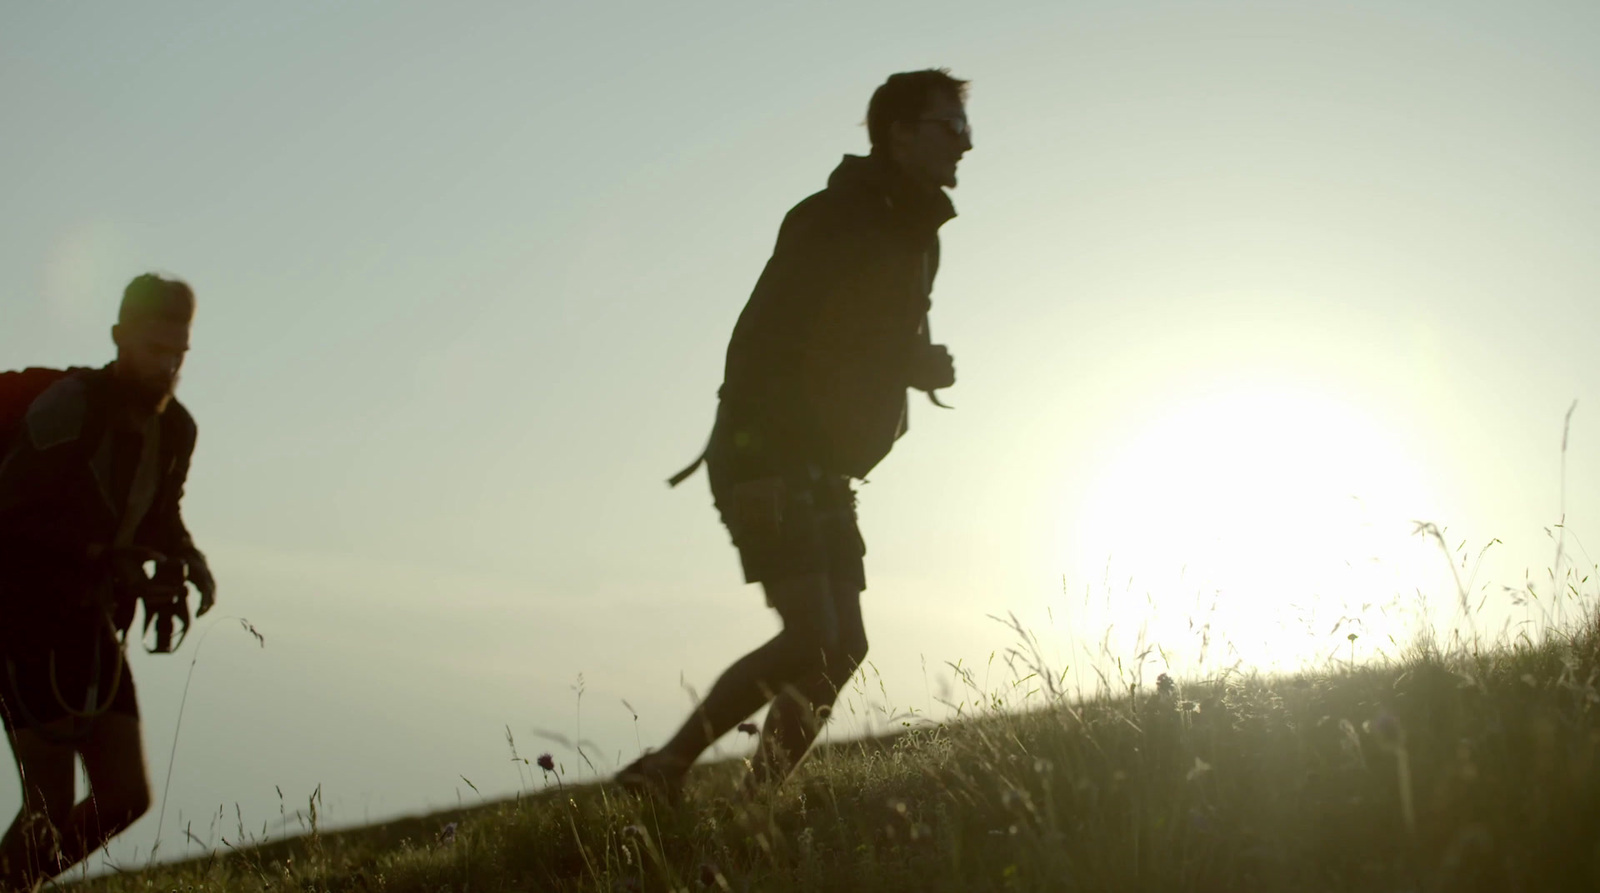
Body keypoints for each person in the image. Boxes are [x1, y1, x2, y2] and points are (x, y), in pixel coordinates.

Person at [620, 69, 972, 800]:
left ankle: (752, 807)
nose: (966, 144)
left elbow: (860, 338)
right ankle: (662, 770)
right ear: (899, 134)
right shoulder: (834, 217)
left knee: (843, 648)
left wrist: (912, 364)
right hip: (765, 450)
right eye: (949, 127)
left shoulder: (913, 232)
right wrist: (896, 363)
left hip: (819, 459)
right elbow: (773, 337)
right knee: (814, 635)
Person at [0, 274, 216, 889]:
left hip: (93, 620)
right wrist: (102, 556)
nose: (169, 365)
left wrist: (189, 557)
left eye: (179, 352)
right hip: (21, 619)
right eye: (155, 349)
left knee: (125, 797)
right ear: (119, 337)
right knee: (48, 807)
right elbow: (9, 514)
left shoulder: (177, 429)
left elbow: (160, 510)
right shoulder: (70, 407)